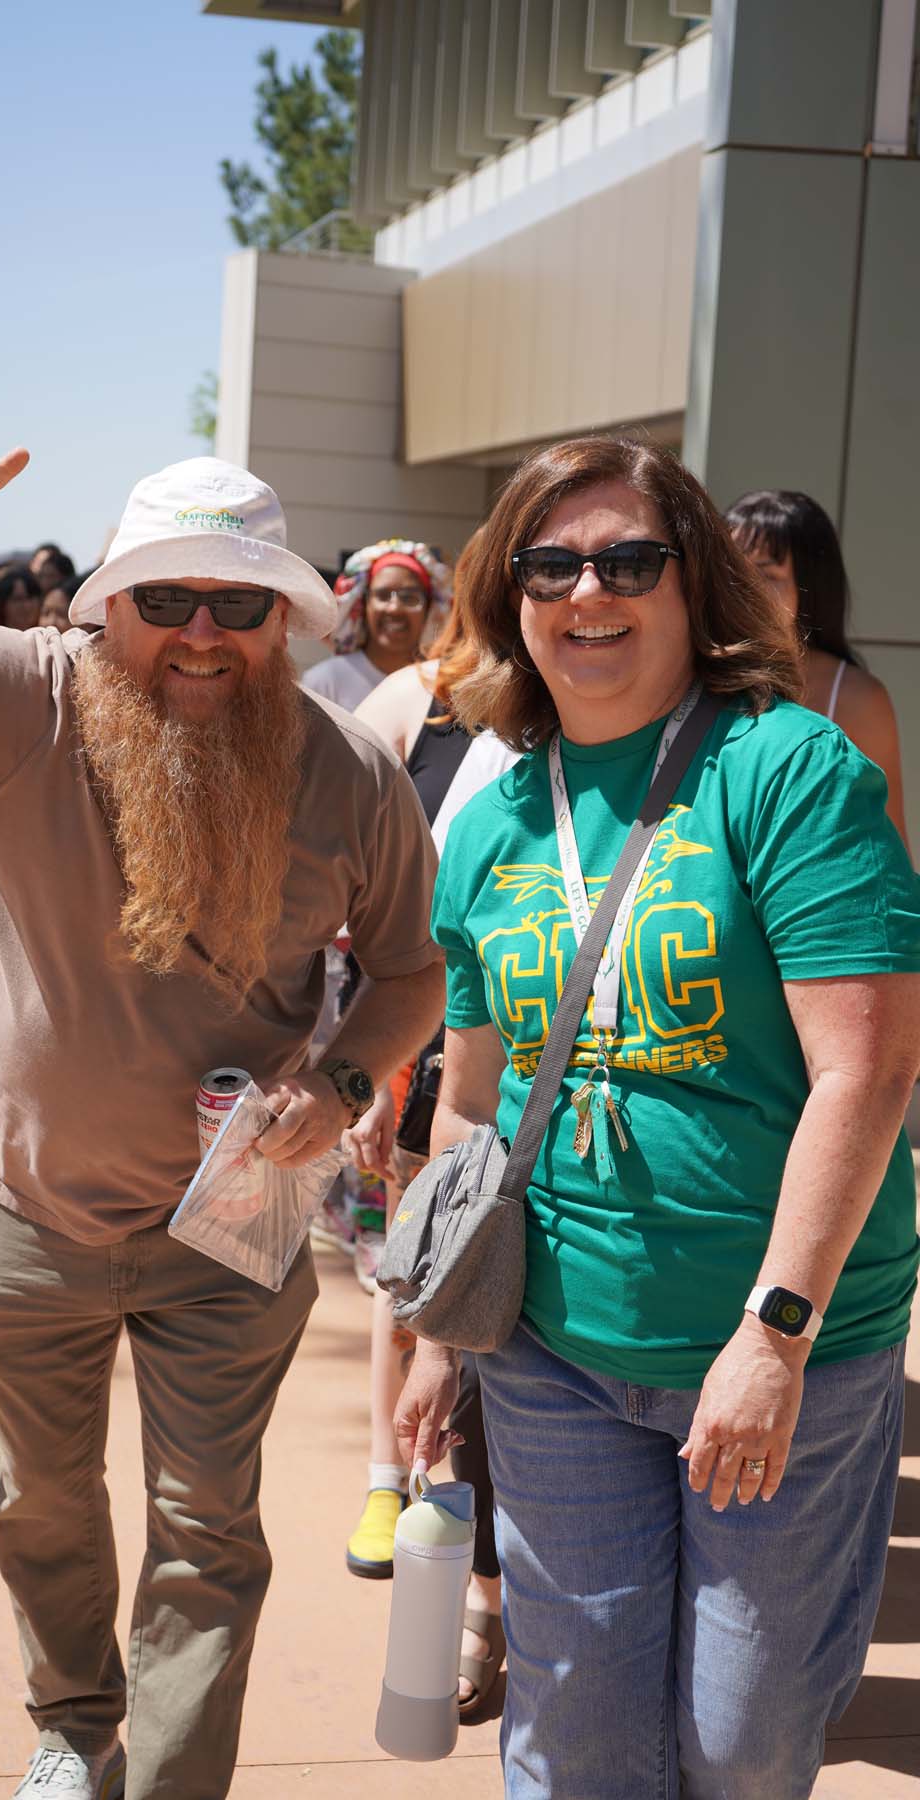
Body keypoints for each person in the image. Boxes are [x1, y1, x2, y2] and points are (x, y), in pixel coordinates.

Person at [0, 394, 446, 1800]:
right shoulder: (16, 694)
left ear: (284, 622)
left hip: (232, 1223)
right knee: (42, 1504)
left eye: (238, 605)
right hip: (26, 1203)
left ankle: (174, 1783)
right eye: (168, 599)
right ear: (106, 610)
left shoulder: (351, 770)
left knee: (208, 1530)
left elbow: (411, 972)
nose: (203, 633)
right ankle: (73, 1727)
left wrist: (346, 1082)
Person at [395, 434, 920, 1799]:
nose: (589, 592)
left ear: (694, 587)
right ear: (509, 598)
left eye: (631, 559)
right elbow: (469, 1095)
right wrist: (443, 1329)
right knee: (575, 1743)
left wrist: (775, 1334)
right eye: (550, 565)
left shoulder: (787, 767)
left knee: (742, 1743)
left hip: (779, 1345)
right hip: (556, 1348)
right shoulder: (495, 821)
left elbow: (869, 1070)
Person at [343, 535, 508, 1713]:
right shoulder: (429, 702)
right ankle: (385, 1481)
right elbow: (392, 912)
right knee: (413, 1292)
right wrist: (372, 1068)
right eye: (533, 577)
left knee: (503, 1346)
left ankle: (493, 1594)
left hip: (560, 1089)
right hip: (444, 1059)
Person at [727, 488, 909, 849]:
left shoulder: (857, 698)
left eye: (766, 573)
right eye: (732, 571)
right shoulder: (687, 676)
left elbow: (890, 850)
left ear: (811, 587)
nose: (743, 589)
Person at [301, 538, 452, 711]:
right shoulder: (325, 682)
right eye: (383, 595)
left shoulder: (444, 687)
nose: (395, 608)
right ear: (363, 604)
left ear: (429, 608)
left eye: (409, 597)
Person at [0, 565, 42, 630]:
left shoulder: (48, 636)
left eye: (30, 598)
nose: (26, 606)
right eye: (18, 599)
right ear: (1, 604)